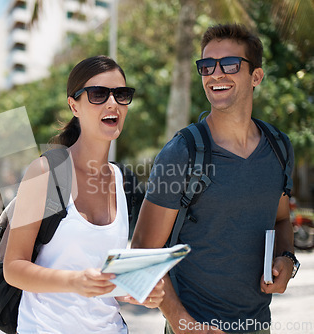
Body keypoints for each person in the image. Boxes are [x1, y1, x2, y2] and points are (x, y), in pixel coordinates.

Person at [131, 24, 297, 334]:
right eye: (207, 66)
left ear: (256, 77)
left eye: (230, 64)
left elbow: (281, 221)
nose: (215, 74)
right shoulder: (181, 152)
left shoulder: (279, 147)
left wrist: (287, 259)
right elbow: (144, 251)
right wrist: (182, 324)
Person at [4, 55, 165, 333]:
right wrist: (74, 281)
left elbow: (108, 281)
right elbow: (13, 268)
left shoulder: (122, 179)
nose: (112, 103)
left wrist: (139, 290)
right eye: (99, 94)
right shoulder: (45, 172)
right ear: (73, 105)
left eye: (121, 94)